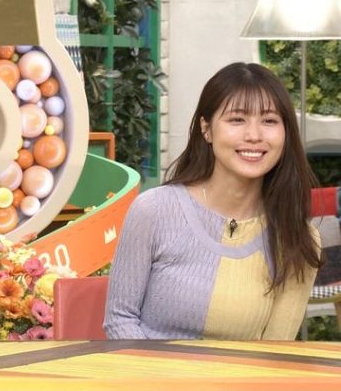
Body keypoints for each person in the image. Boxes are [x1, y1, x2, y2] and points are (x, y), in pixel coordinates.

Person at [104, 62, 321, 340]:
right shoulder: (154, 211)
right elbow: (119, 320)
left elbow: (276, 351)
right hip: (144, 366)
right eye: (237, 120)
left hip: (240, 371)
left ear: (286, 133)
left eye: (269, 121)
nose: (254, 135)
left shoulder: (296, 238)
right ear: (206, 129)